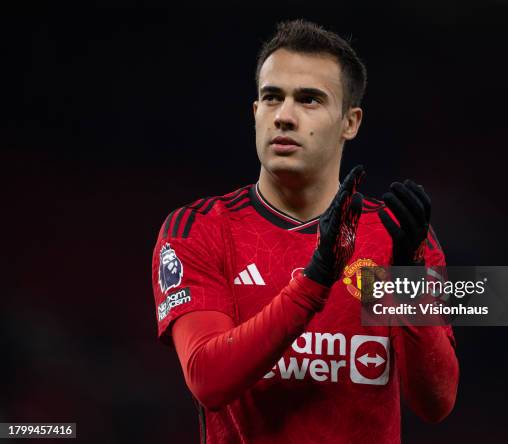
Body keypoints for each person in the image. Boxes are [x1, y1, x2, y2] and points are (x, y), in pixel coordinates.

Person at [151, 19, 459, 443]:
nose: (284, 116)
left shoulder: (397, 236)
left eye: (309, 100)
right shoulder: (199, 230)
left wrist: (407, 279)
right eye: (272, 98)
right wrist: (316, 280)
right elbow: (208, 379)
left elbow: (436, 402)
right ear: (255, 112)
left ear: (350, 122)